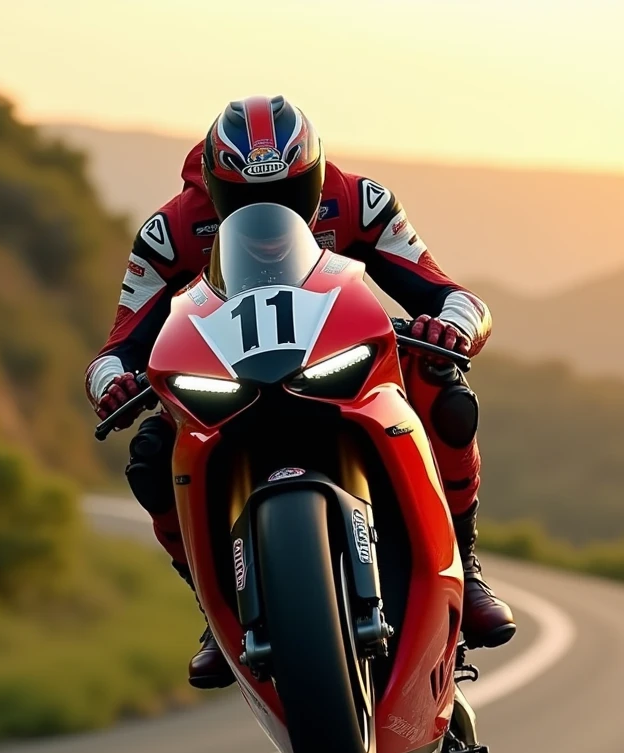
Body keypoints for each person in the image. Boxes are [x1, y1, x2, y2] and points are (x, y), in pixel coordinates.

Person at [86, 95, 515, 688]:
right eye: (243, 199)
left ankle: (464, 569)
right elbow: (119, 345)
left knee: (443, 387)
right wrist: (112, 384)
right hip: (228, 382)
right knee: (153, 455)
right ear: (213, 184)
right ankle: (214, 611)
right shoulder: (171, 231)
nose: (267, 213)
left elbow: (449, 292)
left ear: (313, 178)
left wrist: (453, 325)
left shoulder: (361, 201)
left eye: (288, 195)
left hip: (343, 368)